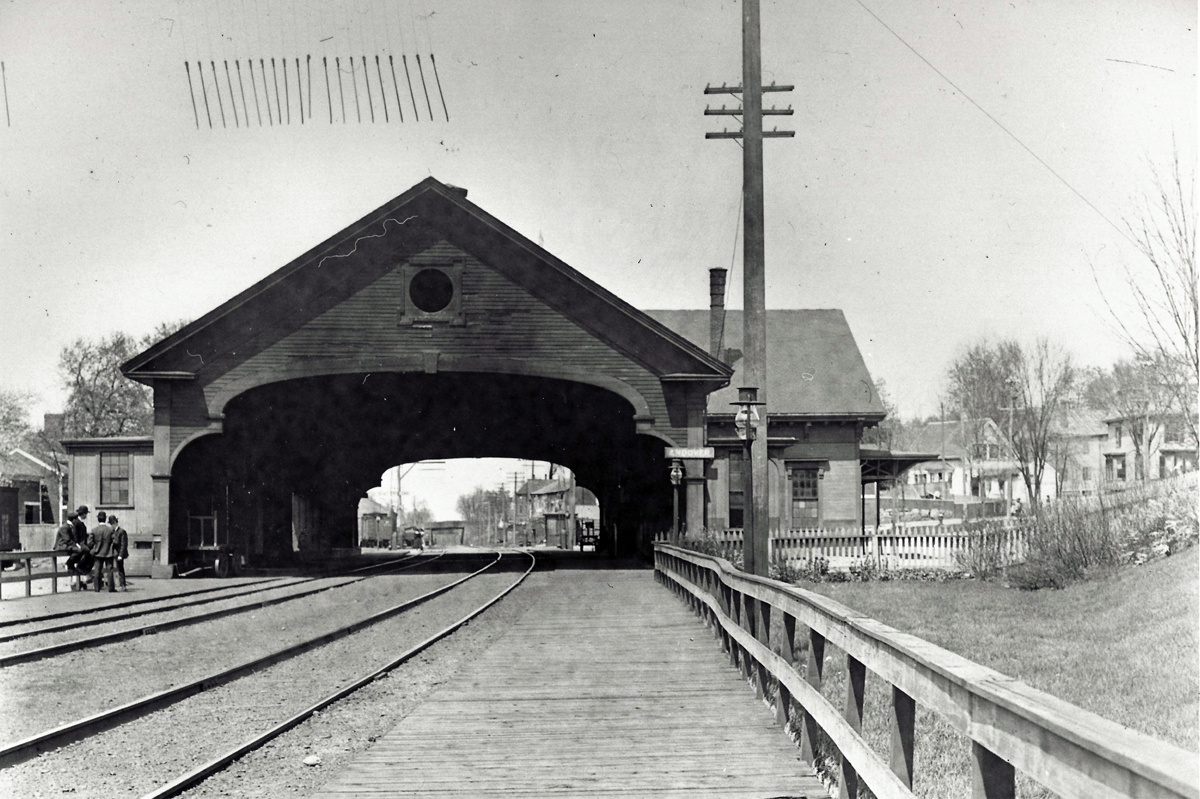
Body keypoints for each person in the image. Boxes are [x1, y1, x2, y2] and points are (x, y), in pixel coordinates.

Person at [86, 511, 118, 593]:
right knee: (110, 570)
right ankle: (111, 588)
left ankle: (97, 588)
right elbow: (115, 541)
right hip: (108, 553)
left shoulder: (94, 530)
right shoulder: (110, 530)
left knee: (97, 571)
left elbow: (89, 543)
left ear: (98, 519)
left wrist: (94, 547)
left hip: (97, 553)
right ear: (105, 518)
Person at [54, 512, 86, 591]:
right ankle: (69, 563)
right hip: (61, 545)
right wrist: (76, 546)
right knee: (79, 551)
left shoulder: (70, 526)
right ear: (74, 520)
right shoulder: (64, 527)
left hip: (67, 545)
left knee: (80, 550)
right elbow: (67, 540)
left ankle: (70, 563)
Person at [109, 515, 129, 591]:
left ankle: (123, 585)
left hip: (119, 554)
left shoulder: (122, 531)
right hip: (113, 553)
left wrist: (121, 555)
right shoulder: (112, 531)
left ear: (115, 523)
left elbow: (124, 544)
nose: (111, 525)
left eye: (112, 524)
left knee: (120, 569)